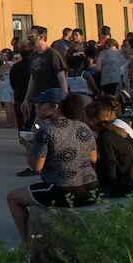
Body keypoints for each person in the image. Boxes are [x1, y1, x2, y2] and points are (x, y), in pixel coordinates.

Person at [6, 92, 98, 245]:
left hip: (63, 190)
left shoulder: (47, 131)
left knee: (13, 198)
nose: (36, 108)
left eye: (40, 104)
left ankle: (27, 245)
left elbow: (36, 167)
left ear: (54, 107)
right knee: (35, 196)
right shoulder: (83, 126)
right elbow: (93, 158)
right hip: (91, 188)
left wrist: (29, 146)